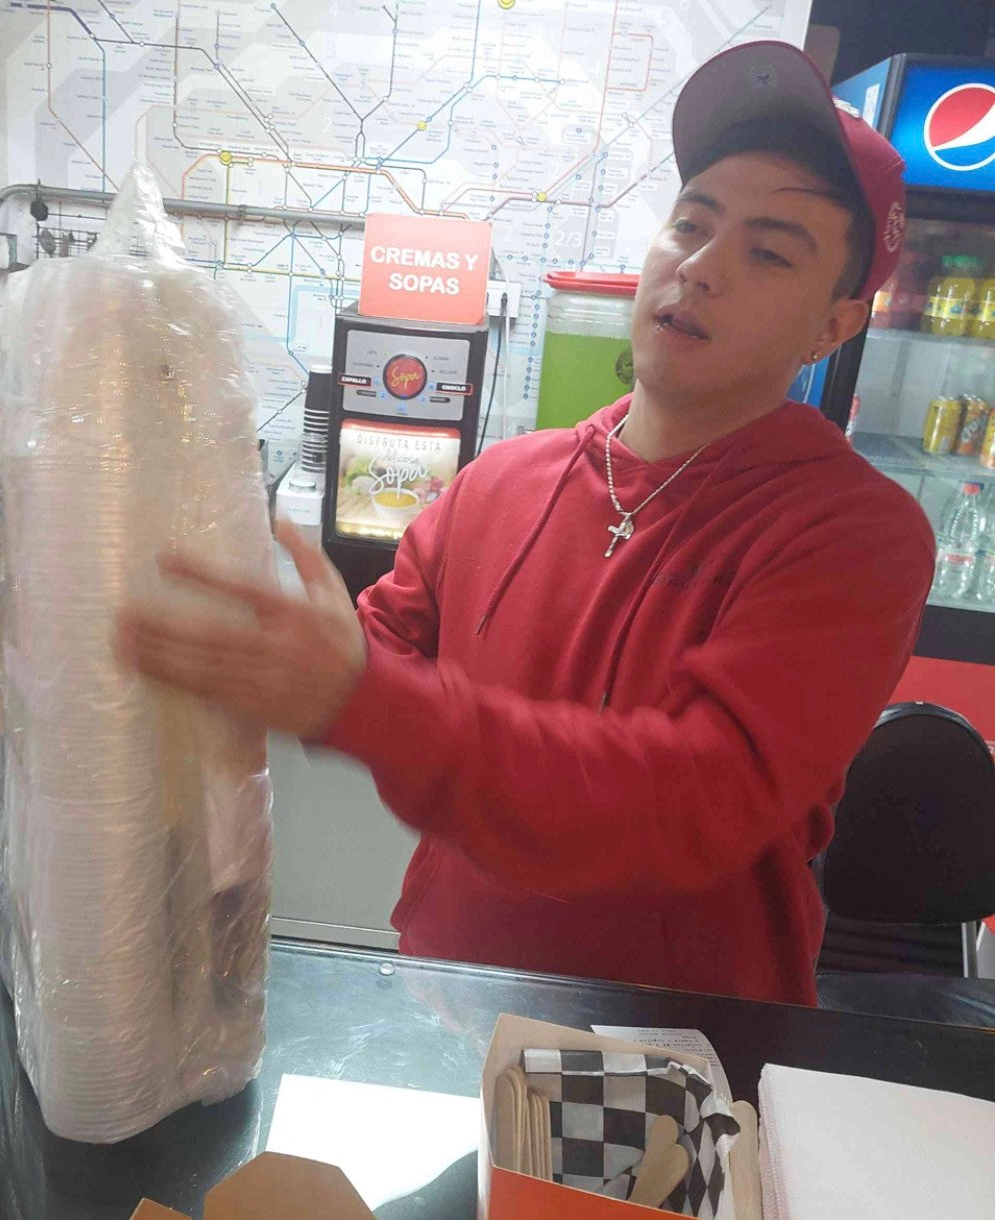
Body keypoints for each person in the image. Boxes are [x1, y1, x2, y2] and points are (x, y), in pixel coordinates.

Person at [116, 42, 935, 1006]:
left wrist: (358, 697)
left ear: (835, 325)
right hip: (449, 996)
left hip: (681, 1041)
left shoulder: (853, 535)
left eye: (769, 252)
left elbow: (694, 798)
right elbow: (377, 646)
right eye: (691, 223)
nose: (702, 267)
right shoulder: (501, 481)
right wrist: (232, 642)